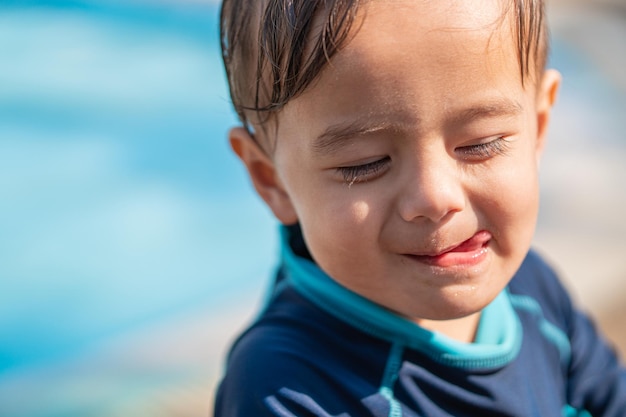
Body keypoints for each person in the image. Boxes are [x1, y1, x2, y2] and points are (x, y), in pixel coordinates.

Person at [214, 0, 626, 415]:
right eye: (365, 164)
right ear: (272, 180)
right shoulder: (288, 388)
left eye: (479, 144)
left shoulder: (530, 288)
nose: (435, 198)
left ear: (538, 125)